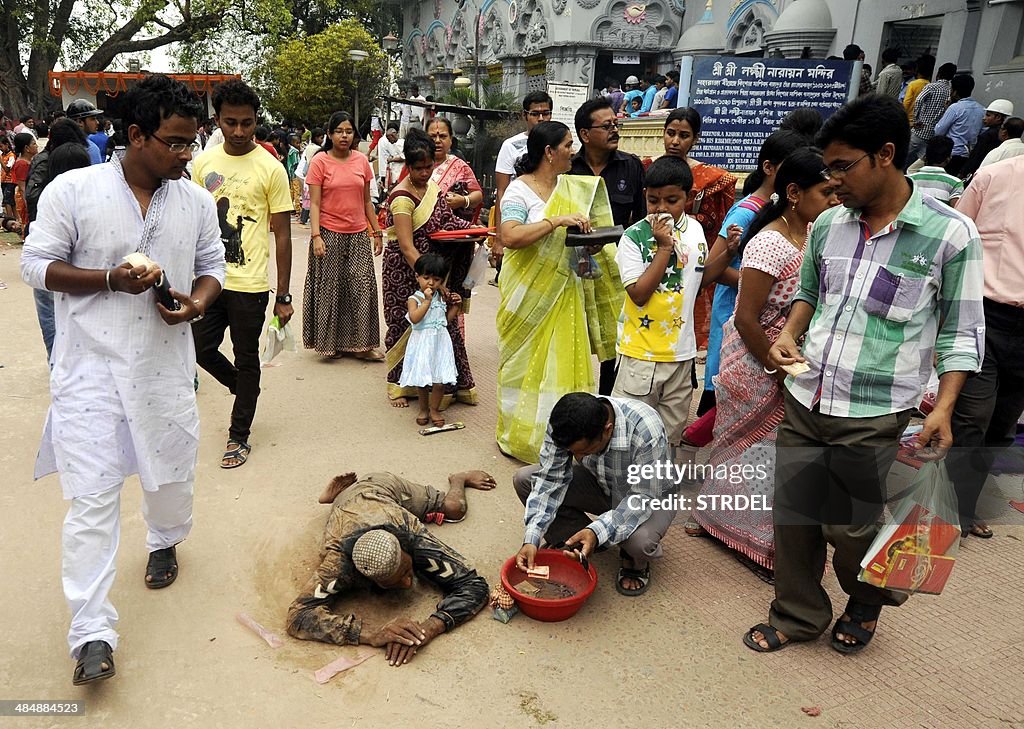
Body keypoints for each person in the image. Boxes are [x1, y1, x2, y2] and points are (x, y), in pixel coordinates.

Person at [744, 94, 984, 655]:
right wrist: (789, 332)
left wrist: (945, 407)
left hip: (876, 412)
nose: (833, 180)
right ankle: (798, 613)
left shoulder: (950, 235)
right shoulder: (830, 225)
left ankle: (868, 598)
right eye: (827, 168)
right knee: (797, 517)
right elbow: (810, 292)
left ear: (886, 155)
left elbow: (961, 332)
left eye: (843, 166)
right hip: (808, 395)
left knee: (850, 528)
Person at [20, 73, 224, 686]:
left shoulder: (193, 202)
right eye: (176, 143)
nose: (186, 155)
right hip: (89, 372)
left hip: (164, 369)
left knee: (170, 477)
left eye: (192, 142)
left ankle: (165, 537)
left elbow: (213, 268)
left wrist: (195, 304)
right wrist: (108, 279)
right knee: (91, 500)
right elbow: (35, 264)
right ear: (135, 135)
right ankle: (91, 633)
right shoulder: (73, 190)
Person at [693, 149, 838, 579]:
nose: (834, 200)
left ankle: (744, 531)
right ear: (794, 193)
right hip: (757, 364)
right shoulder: (769, 243)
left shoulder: (816, 234)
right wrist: (775, 369)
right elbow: (745, 317)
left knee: (774, 457)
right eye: (826, 192)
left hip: (792, 359)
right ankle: (744, 538)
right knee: (749, 451)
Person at [496, 121, 622, 462]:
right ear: (549, 152)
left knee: (564, 362)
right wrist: (555, 221)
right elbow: (509, 236)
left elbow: (579, 245)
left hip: (566, 291)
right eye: (567, 144)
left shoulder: (574, 188)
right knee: (522, 366)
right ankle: (520, 435)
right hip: (528, 295)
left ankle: (566, 436)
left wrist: (591, 243)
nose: (573, 150)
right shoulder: (519, 191)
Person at [286, 469, 494, 665]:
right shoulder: (339, 563)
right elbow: (298, 616)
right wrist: (371, 633)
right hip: (346, 510)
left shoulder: (410, 534)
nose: (408, 583)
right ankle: (340, 493)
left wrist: (429, 628)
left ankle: (459, 478)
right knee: (345, 502)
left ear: (405, 548)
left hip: (379, 487)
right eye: (395, 580)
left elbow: (474, 585)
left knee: (454, 508)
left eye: (406, 570)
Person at [190, 79, 294, 469]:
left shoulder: (271, 168)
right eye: (230, 122)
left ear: (255, 121)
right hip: (209, 280)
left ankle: (239, 434)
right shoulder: (203, 163)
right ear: (217, 120)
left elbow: (282, 235)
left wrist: (283, 295)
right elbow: (195, 223)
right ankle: (242, 387)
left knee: (247, 356)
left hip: (250, 284)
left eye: (246, 123)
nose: (238, 131)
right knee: (199, 348)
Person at [611, 155, 739, 449]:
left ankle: (656, 491)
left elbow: (698, 280)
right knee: (629, 438)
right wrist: (663, 247)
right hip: (640, 355)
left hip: (682, 355)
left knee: (668, 439)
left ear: (688, 198)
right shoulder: (634, 238)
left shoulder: (694, 231)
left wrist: (728, 253)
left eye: (672, 200)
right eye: (654, 200)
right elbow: (639, 294)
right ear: (644, 196)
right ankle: (625, 492)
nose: (661, 208)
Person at [513, 392, 675, 596]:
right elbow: (550, 481)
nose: (578, 457)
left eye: (586, 450)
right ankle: (577, 541)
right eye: (573, 452)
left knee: (639, 543)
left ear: (607, 430)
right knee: (525, 480)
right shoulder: (563, 422)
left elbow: (642, 497)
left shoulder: (645, 428)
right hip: (600, 483)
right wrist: (531, 538)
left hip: (651, 495)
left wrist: (598, 530)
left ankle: (632, 562)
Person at [698, 130, 807, 416]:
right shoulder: (747, 214)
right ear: (769, 168)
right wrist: (761, 283)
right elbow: (715, 269)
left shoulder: (796, 222)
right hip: (740, 318)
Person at [946, 154, 1024, 539]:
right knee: (972, 417)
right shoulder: (994, 177)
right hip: (985, 316)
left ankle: (966, 501)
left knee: (1002, 424)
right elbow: (956, 238)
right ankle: (954, 508)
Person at [382, 128, 477, 407]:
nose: (425, 173)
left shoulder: (432, 188)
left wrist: (475, 232)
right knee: (406, 324)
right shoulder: (401, 197)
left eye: (429, 167)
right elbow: (407, 247)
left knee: (442, 327)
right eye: (419, 168)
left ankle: (450, 385)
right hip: (406, 270)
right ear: (408, 166)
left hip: (433, 268)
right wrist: (432, 282)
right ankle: (400, 385)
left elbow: (448, 220)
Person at [570, 98, 646, 394]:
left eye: (617, 124)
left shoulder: (631, 167)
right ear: (585, 134)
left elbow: (641, 222)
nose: (615, 130)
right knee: (573, 336)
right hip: (573, 267)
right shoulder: (567, 168)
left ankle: (606, 403)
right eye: (607, 126)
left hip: (617, 271)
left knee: (614, 340)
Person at [304, 110, 385, 361]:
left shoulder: (361, 161)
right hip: (328, 233)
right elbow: (314, 204)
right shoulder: (320, 162)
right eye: (339, 131)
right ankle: (331, 344)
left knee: (362, 287)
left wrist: (377, 232)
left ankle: (363, 346)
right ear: (329, 134)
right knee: (331, 288)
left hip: (359, 234)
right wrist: (316, 236)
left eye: (348, 131)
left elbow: (366, 201)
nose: (344, 136)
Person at [493, 91, 554, 282]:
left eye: (546, 113)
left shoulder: (560, 144)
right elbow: (502, 191)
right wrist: (499, 238)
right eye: (535, 114)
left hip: (552, 230)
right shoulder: (511, 146)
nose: (541, 118)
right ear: (525, 115)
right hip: (518, 226)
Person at [400, 253, 462, 428]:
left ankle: (434, 409)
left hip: (440, 341)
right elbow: (415, 318)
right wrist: (426, 302)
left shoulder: (441, 297)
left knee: (439, 380)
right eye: (426, 278)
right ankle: (423, 409)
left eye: (436, 279)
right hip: (422, 342)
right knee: (422, 379)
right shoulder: (414, 299)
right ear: (417, 276)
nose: (431, 283)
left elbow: (445, 321)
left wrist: (456, 306)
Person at [427, 117, 483, 223]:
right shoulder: (414, 165)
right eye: (433, 136)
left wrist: (463, 200)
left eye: (443, 136)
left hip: (451, 230)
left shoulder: (460, 166)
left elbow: (477, 194)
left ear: (451, 140)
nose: (437, 141)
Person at [907, 62, 957, 168]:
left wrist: (916, 119)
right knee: (922, 160)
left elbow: (919, 100)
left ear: (938, 74)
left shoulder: (931, 87)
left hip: (921, 129)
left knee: (904, 153)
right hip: (935, 133)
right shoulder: (950, 91)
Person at [933, 75, 985, 177]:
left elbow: (939, 131)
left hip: (951, 153)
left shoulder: (955, 108)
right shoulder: (982, 109)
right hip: (968, 155)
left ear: (955, 92)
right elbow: (982, 132)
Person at [960, 99, 1014, 178]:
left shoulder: (988, 135)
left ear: (998, 117)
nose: (984, 118)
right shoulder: (1003, 135)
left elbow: (976, 156)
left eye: (988, 115)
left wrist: (963, 172)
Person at [908, 136, 964, 205]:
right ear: (948, 158)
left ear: (925, 156)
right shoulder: (956, 183)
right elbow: (955, 209)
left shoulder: (909, 179)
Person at [11, 132, 37, 237]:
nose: (36, 146)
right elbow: (22, 187)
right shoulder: (22, 164)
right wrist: (28, 203)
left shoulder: (29, 161)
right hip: (25, 196)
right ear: (27, 148)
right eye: (34, 144)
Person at [903, 55, 934, 123]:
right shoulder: (930, 85)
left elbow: (906, 103)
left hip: (909, 119)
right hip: (921, 121)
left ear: (917, 70)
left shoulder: (913, 84)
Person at [376, 124, 405, 192]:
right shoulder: (396, 143)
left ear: (393, 135)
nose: (389, 141)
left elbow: (403, 157)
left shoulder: (399, 144)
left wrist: (392, 159)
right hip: (391, 171)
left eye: (389, 139)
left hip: (397, 171)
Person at [1, 135, 15, 220]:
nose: (0, 149)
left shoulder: (11, 156)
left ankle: (9, 220)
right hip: (3, 180)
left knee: (7, 201)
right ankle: (16, 218)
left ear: (7, 144)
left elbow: (7, 169)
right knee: (11, 201)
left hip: (10, 181)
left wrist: (1, 160)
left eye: (1, 146)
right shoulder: (3, 155)